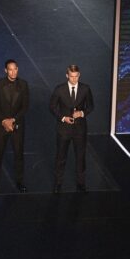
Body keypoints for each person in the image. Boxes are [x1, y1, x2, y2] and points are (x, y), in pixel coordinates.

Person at [49, 64, 94, 193]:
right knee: (61, 157)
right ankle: (58, 183)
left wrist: (82, 113)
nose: (74, 79)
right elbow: (52, 107)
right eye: (71, 76)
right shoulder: (59, 89)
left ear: (79, 75)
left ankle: (81, 183)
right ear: (67, 75)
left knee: (80, 157)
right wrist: (63, 118)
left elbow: (91, 106)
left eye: (76, 76)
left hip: (80, 129)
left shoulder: (85, 89)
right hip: (64, 129)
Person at [0, 59, 30, 193]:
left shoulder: (23, 85)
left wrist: (13, 120)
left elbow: (25, 106)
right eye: (10, 69)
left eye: (15, 69)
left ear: (17, 69)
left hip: (17, 125)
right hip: (1, 126)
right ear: (6, 71)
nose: (13, 72)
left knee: (19, 154)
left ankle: (20, 182)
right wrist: (4, 121)